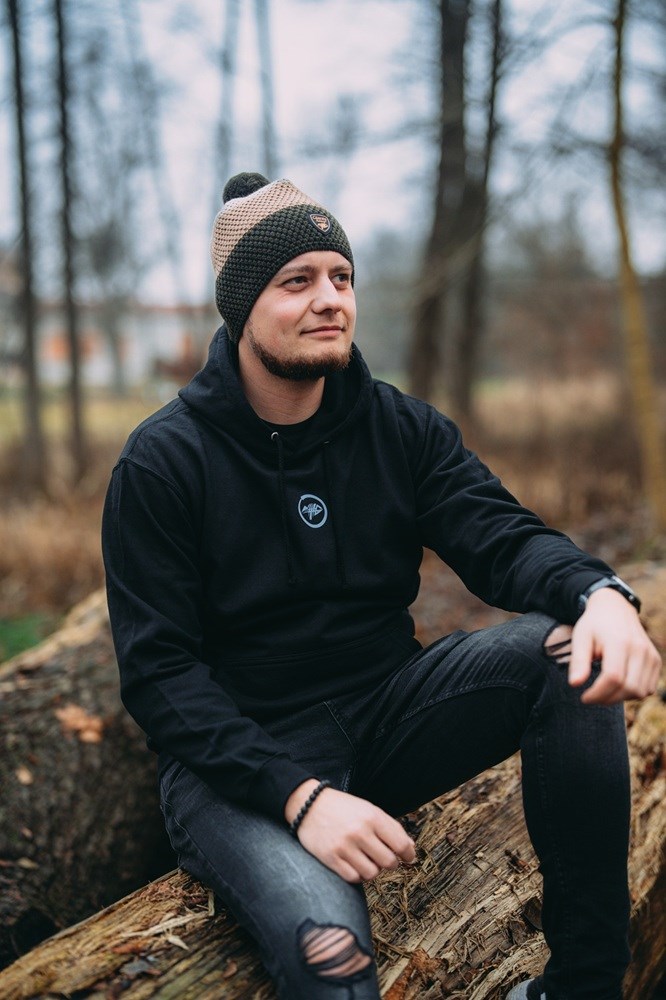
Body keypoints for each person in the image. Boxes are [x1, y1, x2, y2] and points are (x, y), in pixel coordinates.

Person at [102, 172, 661, 1000]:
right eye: (297, 280)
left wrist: (601, 594)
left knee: (564, 652)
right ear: (242, 306)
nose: (330, 299)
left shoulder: (398, 427)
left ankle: (582, 986)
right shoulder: (163, 462)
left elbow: (501, 537)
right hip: (242, 767)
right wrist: (301, 800)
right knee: (335, 962)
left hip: (389, 716)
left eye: (342, 277)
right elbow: (160, 678)